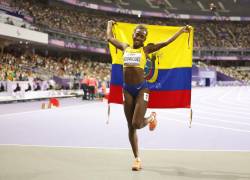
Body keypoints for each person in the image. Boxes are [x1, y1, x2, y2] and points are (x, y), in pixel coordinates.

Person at [107, 20, 190, 171]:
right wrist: (109, 23)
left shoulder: (146, 50)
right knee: (130, 127)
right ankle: (137, 159)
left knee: (137, 124)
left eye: (142, 36)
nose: (139, 37)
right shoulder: (125, 47)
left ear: (145, 39)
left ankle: (151, 117)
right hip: (127, 90)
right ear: (133, 35)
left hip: (141, 90)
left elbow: (166, 43)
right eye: (137, 34)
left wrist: (180, 31)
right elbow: (109, 38)